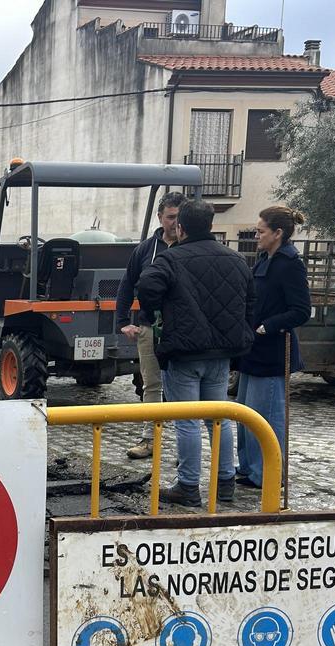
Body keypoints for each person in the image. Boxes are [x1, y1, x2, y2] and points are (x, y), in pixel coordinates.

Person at [136, 200, 254, 507]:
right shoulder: (236, 260)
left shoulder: (171, 259)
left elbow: (146, 286)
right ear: (211, 224)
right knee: (219, 418)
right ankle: (225, 482)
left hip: (184, 353)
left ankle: (188, 486)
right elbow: (250, 301)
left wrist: (157, 311)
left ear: (180, 227)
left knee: (186, 420)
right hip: (221, 354)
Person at [235, 206, 312, 490]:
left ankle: (268, 472)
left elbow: (301, 310)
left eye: (260, 231)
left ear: (278, 233)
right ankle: (249, 466)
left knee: (267, 416)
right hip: (252, 351)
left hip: (271, 351)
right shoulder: (265, 259)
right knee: (246, 413)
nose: (256, 235)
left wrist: (268, 326)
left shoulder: (290, 263)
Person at [115, 192, 185, 459]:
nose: (174, 223)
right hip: (148, 326)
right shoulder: (145, 249)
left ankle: (184, 444)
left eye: (179, 217)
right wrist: (123, 322)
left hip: (182, 329)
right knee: (152, 384)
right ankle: (149, 440)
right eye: (170, 217)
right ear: (160, 217)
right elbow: (126, 283)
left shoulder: (190, 247)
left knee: (182, 387)